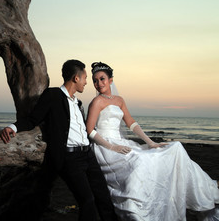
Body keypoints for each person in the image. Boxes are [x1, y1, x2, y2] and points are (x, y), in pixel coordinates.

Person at [86, 61, 219, 221]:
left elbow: (131, 123)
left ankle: (207, 188)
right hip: (105, 145)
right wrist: (112, 147)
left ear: (111, 80)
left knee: (173, 148)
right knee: (139, 161)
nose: (98, 83)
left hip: (120, 142)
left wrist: (150, 142)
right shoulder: (96, 102)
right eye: (95, 80)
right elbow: (90, 130)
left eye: (102, 79)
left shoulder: (119, 100)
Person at [0, 59, 118, 221]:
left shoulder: (77, 102)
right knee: (87, 200)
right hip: (70, 159)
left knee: (103, 197)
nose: (87, 82)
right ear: (76, 78)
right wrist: (13, 127)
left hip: (88, 155)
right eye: (85, 78)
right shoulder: (52, 95)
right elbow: (33, 119)